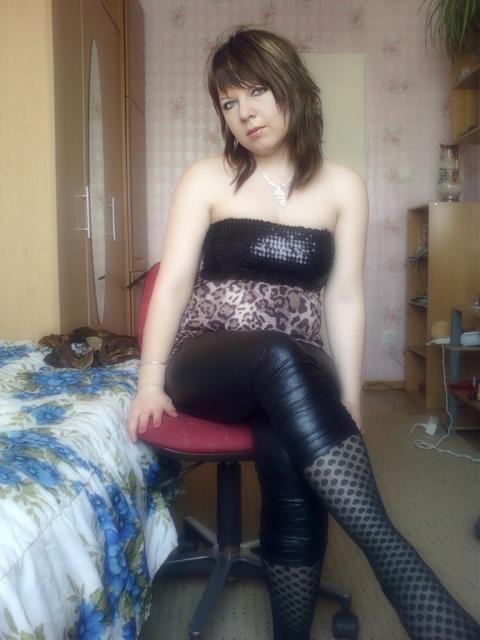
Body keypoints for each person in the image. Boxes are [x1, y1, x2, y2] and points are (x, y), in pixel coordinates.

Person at [127, 28, 480, 640]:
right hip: (209, 358)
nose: (244, 112)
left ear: (292, 88)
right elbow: (175, 282)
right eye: (229, 102)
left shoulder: (344, 186)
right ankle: (396, 560)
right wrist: (149, 380)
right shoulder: (206, 178)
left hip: (295, 364)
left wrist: (350, 397)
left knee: (292, 466)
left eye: (257, 91)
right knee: (276, 352)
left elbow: (344, 297)